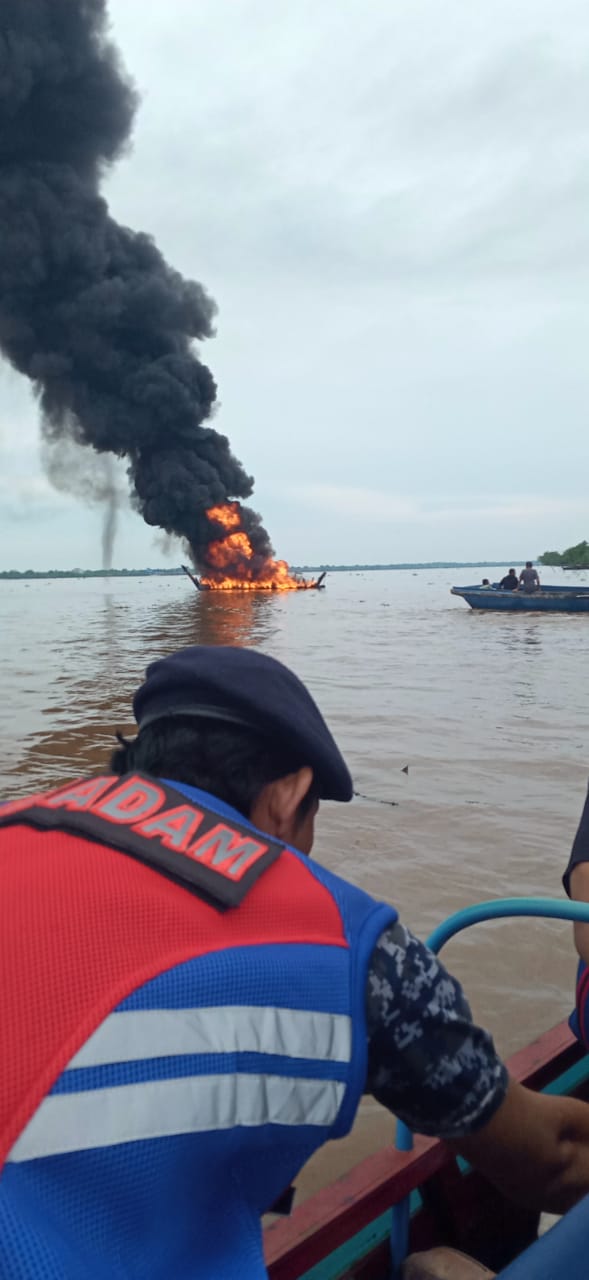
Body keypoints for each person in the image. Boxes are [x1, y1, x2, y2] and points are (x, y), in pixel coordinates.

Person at [3, 646, 589, 1280]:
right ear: (290, 797)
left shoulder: (16, 826)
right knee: (433, 1270)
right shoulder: (351, 948)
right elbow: (555, 1158)